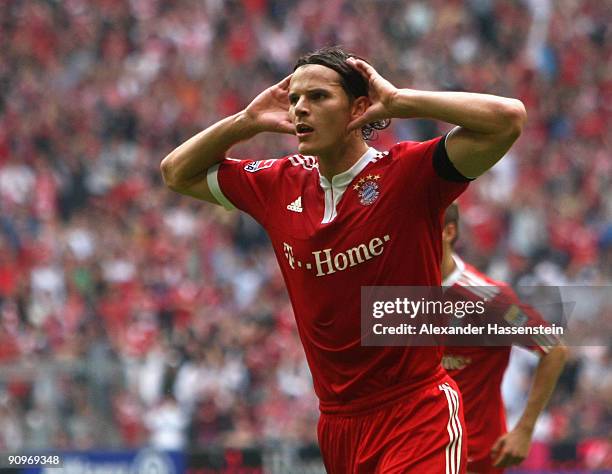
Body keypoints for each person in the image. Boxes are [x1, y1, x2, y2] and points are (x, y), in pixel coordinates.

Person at [161, 46, 526, 473]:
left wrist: (399, 101)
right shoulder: (277, 184)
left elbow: (509, 119)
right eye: (295, 99)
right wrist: (246, 121)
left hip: (415, 413)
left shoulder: (407, 175)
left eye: (318, 97)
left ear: (357, 108)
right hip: (338, 427)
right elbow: (175, 172)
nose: (300, 109)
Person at [440, 203, 568, 474]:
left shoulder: (489, 299)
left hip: (474, 456)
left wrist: (524, 429)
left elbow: (553, 349)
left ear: (449, 232)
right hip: (415, 447)